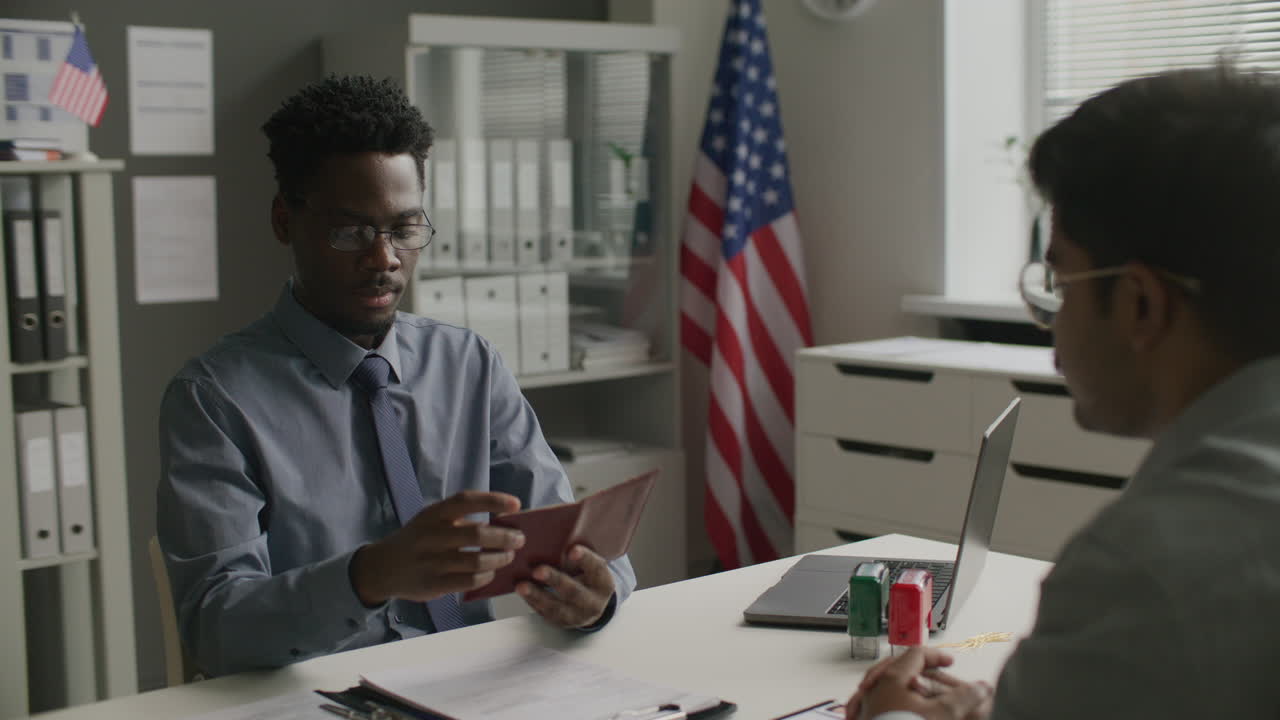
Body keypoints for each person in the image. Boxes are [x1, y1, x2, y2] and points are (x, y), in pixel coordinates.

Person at [156, 75, 635, 677]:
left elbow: (574, 540)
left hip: (477, 683)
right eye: (352, 231)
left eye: (405, 230)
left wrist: (598, 596)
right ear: (285, 220)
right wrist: (371, 576)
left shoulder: (470, 365)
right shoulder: (214, 399)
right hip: (320, 698)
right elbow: (214, 631)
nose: (384, 258)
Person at [848, 63, 1280, 719]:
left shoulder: (1144, 574)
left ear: (1139, 304)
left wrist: (894, 716)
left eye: (1061, 285)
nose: (1050, 319)